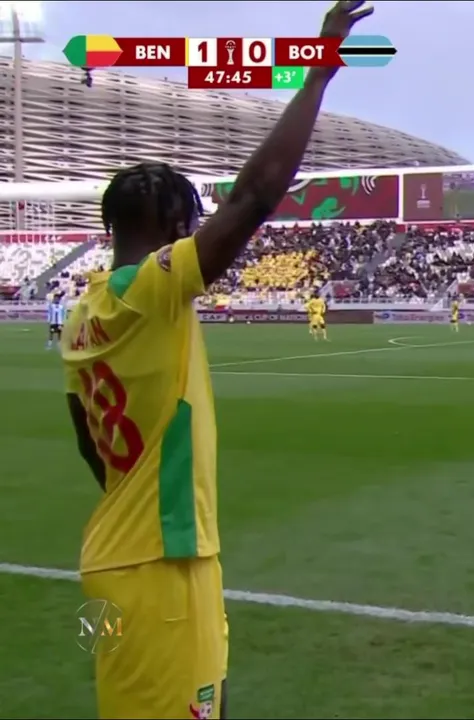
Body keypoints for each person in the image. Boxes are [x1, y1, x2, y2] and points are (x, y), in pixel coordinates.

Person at [58, 4, 372, 718]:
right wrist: (320, 68)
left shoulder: (82, 315)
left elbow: (87, 441)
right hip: (158, 566)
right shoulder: (153, 289)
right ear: (177, 228)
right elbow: (256, 195)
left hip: (133, 554)